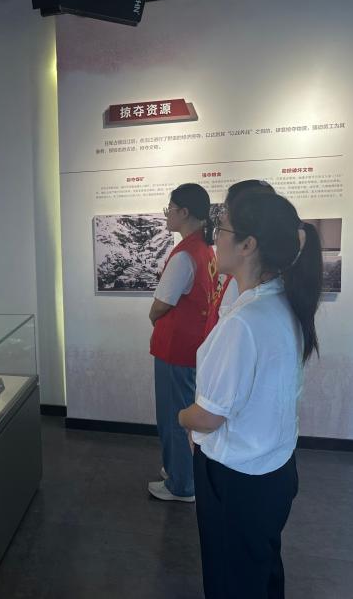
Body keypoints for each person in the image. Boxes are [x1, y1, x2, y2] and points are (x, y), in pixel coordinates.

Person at [178, 192, 323, 598]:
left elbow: (209, 416)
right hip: (273, 469)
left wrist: (181, 417)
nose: (214, 237)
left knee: (231, 582)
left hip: (236, 479)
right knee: (259, 572)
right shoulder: (283, 302)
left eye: (221, 228)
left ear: (248, 245)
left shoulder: (244, 322)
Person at [148, 183, 218, 503]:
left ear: (185, 212)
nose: (168, 215)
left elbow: (160, 305)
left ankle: (181, 484)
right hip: (192, 345)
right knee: (180, 411)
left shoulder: (185, 255)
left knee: (173, 416)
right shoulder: (205, 250)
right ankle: (179, 471)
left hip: (176, 349)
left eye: (171, 209)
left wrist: (153, 316)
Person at [204, 179, 275, 336]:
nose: (216, 240)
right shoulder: (257, 285)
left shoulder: (243, 317)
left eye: (222, 229)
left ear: (247, 245)